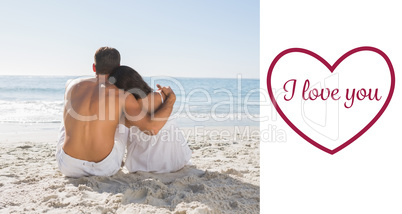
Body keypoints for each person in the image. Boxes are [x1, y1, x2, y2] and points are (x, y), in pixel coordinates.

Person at [56, 47, 176, 177]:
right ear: (118, 67)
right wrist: (170, 100)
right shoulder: (122, 95)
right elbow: (152, 129)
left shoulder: (71, 85)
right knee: (121, 116)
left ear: (94, 67)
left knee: (69, 114)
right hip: (104, 168)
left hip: (68, 166)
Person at [108, 66, 192, 173]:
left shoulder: (130, 108)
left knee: (120, 127)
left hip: (148, 164)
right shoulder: (162, 96)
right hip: (176, 160)